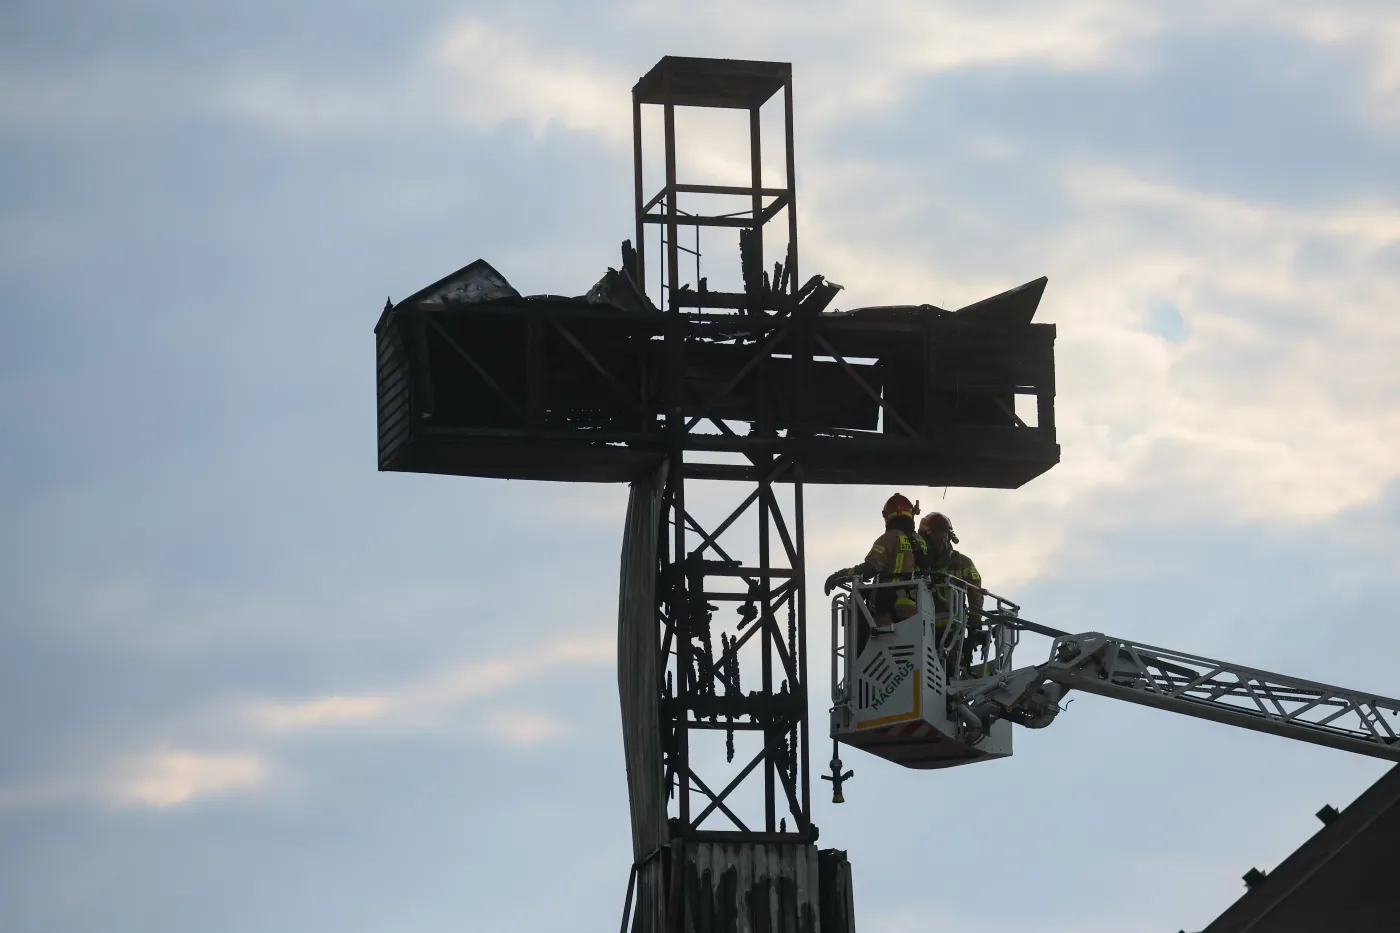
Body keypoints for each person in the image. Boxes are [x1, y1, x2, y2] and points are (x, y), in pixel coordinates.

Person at [824, 494, 931, 645]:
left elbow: (869, 569)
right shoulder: (921, 541)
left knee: (856, 611)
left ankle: (861, 658)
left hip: (890, 604)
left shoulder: (889, 538)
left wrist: (839, 576)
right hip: (919, 605)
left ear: (888, 517)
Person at [918, 511, 985, 672]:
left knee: (948, 674)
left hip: (953, 632)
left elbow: (976, 594)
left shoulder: (963, 562)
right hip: (921, 631)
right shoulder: (917, 563)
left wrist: (975, 624)